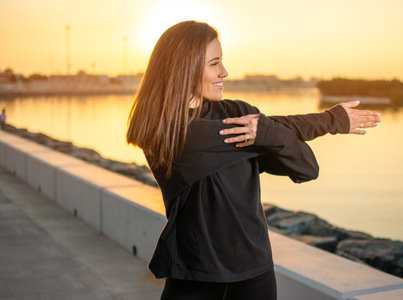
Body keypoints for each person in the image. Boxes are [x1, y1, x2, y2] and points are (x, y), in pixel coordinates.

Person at [127, 21, 381, 300]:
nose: (225, 72)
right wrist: (329, 121)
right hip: (194, 275)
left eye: (222, 61)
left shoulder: (237, 111)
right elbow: (256, 131)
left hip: (254, 273)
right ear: (185, 68)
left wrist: (270, 130)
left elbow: (307, 168)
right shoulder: (168, 132)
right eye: (214, 63)